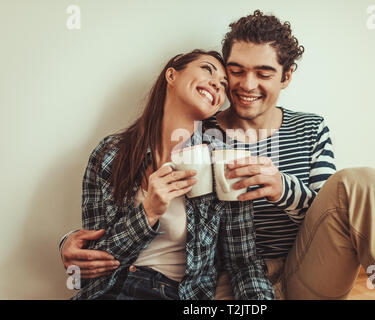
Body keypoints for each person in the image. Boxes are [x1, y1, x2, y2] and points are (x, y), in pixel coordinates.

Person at [61, 11, 375, 299]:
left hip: (303, 269)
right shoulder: (203, 137)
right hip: (223, 279)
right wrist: (71, 241)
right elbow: (106, 234)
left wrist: (282, 188)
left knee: (360, 181)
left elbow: (334, 213)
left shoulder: (309, 128)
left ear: (286, 76)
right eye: (235, 71)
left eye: (263, 73)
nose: (245, 85)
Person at [64, 49, 274, 300]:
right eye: (208, 69)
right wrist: (148, 212)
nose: (217, 85)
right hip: (112, 290)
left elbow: (243, 262)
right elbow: (95, 263)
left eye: (223, 85)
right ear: (171, 75)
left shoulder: (223, 160)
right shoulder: (110, 154)